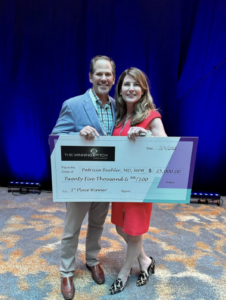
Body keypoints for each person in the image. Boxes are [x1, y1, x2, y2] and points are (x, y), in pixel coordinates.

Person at [51, 55, 116, 300]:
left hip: (107, 178)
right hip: (80, 179)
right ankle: (66, 271)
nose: (103, 78)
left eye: (108, 74)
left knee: (98, 223)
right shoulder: (73, 104)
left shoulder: (117, 105)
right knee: (72, 228)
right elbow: (56, 136)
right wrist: (78, 134)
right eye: (99, 73)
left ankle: (91, 260)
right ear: (90, 77)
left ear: (113, 78)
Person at [109, 67, 167, 295]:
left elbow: (166, 145)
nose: (131, 88)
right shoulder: (120, 117)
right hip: (119, 184)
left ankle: (124, 273)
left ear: (143, 91)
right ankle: (144, 260)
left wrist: (148, 137)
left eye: (136, 84)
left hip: (140, 185)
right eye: (126, 84)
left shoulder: (151, 116)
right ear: (120, 89)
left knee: (133, 232)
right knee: (119, 228)